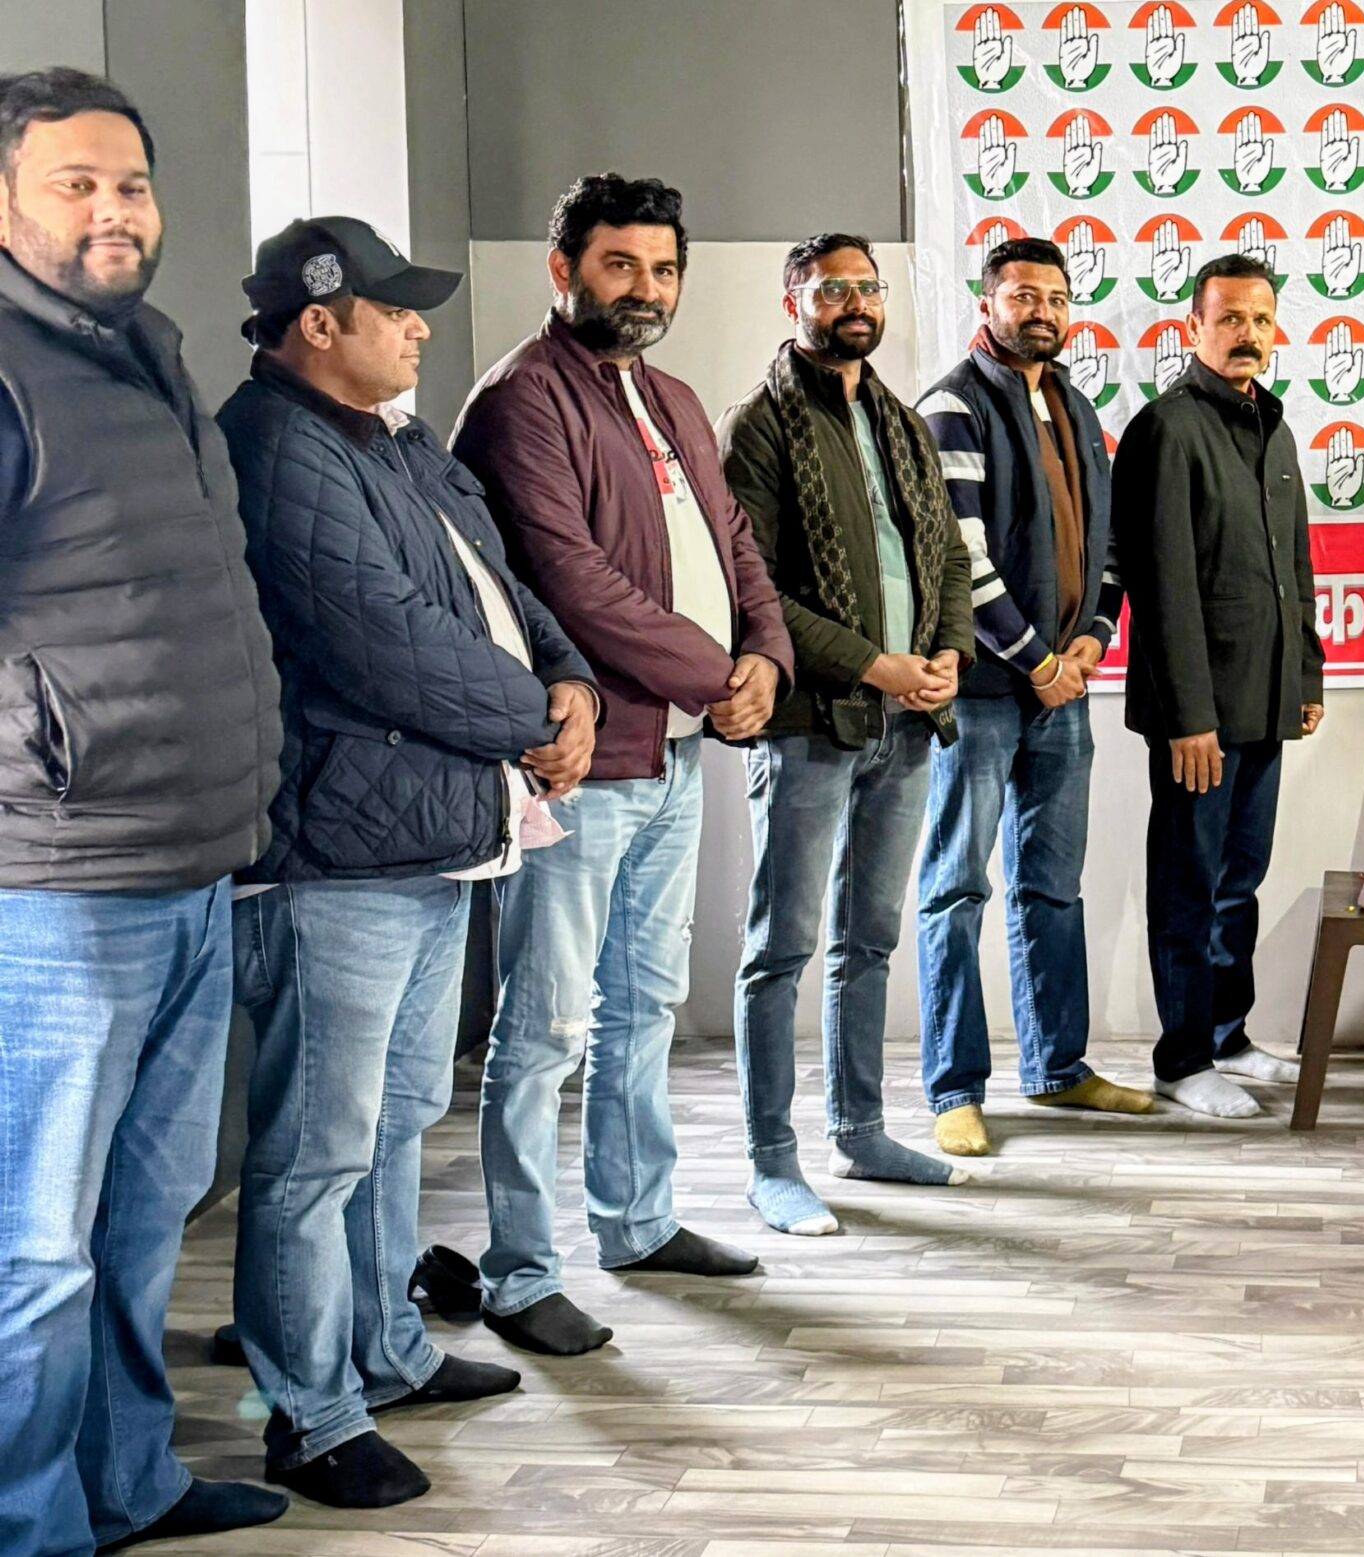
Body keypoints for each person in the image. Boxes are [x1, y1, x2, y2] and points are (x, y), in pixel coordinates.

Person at [219, 216, 599, 1507]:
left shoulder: (392, 437)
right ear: (319, 322)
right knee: (317, 1150)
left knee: (393, 1126)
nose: (419, 327)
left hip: (429, 834)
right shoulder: (275, 446)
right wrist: (534, 720)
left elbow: (503, 582)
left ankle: (385, 1351)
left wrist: (572, 680)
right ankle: (310, 1414)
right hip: (337, 855)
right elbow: (374, 639)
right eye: (394, 309)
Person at [0, 68, 288, 1556]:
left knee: (140, 1219)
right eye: (75, 184)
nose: (114, 210)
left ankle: (128, 1485)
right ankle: (28, 1525)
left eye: (131, 183)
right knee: (34, 1250)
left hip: (193, 863)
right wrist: (42, 756)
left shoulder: (146, 348)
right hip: (56, 884)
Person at [453, 174, 793, 1354]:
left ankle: (638, 1221)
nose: (646, 289)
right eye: (619, 265)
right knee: (545, 1025)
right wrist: (717, 676)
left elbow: (735, 544)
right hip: (585, 767)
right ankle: (518, 1271)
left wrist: (768, 656)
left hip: (677, 754)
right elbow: (568, 578)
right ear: (564, 271)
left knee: (644, 1003)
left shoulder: (673, 398)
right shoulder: (522, 400)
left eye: (663, 269)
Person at [716, 230, 976, 1226]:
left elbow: (948, 557)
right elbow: (757, 588)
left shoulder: (902, 422)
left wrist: (947, 655)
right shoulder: (760, 425)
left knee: (869, 938)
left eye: (868, 287)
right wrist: (874, 663)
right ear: (794, 302)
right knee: (781, 946)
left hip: (907, 723)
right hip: (809, 724)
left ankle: (861, 1133)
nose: (855, 304)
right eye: (832, 289)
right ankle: (772, 1161)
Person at [912, 236, 1152, 1159]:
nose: (1041, 311)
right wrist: (1035, 659)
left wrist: (1091, 638)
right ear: (988, 305)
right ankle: (954, 1087)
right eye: (1022, 295)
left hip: (1063, 691)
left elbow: (1109, 543)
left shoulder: (1075, 406)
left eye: (1055, 296)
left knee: (1051, 884)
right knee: (955, 886)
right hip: (981, 690)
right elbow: (959, 555)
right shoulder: (952, 406)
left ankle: (1058, 1066)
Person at [1116, 253, 1324, 1118]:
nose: (1248, 334)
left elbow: (1294, 567)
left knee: (1241, 879)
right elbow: (1161, 587)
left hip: (1265, 699)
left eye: (1261, 320)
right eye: (1230, 318)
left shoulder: (1274, 427)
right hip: (1199, 716)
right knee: (1188, 883)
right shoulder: (1166, 429)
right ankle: (1182, 1057)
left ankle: (1229, 1034)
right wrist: (1188, 718)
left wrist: (1305, 672)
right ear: (1193, 328)